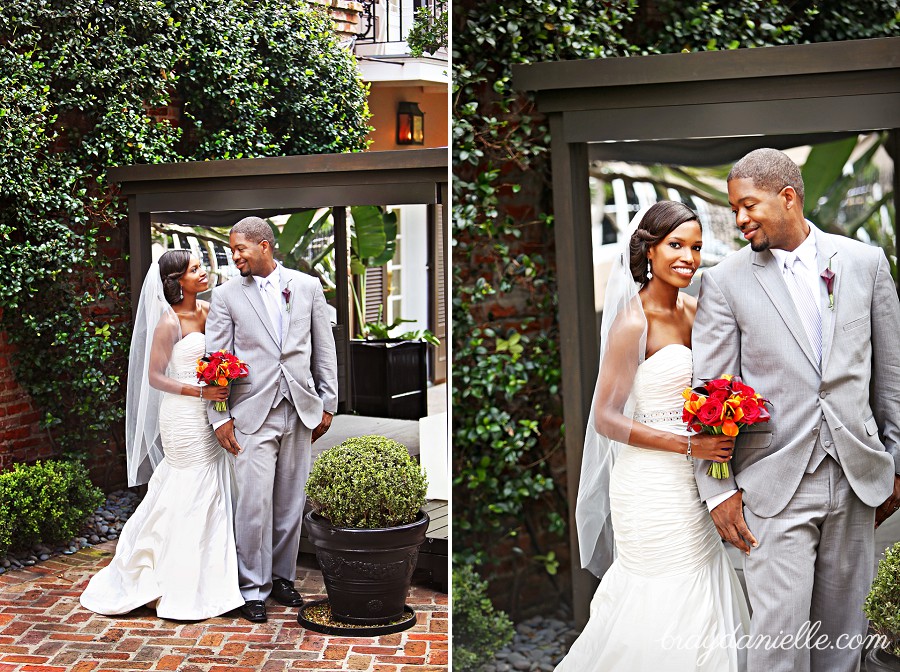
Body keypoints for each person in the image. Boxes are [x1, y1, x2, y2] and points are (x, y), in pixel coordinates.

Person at [692, 148, 900, 672]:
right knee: (778, 646)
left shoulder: (864, 264)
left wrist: (896, 465)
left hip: (856, 482)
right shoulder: (725, 281)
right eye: (734, 208)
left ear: (787, 198)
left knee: (843, 643)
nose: (739, 219)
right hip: (774, 484)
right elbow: (709, 394)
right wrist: (718, 491)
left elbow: (891, 377)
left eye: (747, 206)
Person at [556, 201, 750, 671]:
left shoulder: (698, 310)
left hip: (694, 480)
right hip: (649, 486)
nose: (689, 256)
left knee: (703, 584)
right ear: (650, 249)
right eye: (677, 245)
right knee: (660, 593)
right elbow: (605, 418)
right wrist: (690, 445)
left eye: (697, 247)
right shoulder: (631, 323)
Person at [80, 250, 244, 620]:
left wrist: (221, 383)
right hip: (182, 416)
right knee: (186, 485)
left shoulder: (209, 311)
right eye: (195, 270)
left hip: (209, 413)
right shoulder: (168, 323)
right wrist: (200, 392)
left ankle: (211, 576)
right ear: (176, 282)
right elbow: (155, 377)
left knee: (213, 484)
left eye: (202, 267)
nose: (203, 273)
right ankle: (172, 576)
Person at [206, 216, 338, 623]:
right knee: (253, 505)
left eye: (239, 248)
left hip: (299, 410)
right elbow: (215, 361)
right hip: (251, 413)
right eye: (232, 249)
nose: (234, 255)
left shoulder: (307, 286)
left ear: (264, 246)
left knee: (290, 502)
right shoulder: (227, 295)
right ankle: (253, 588)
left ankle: (282, 579)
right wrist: (219, 418)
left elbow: (322, 347)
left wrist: (328, 402)